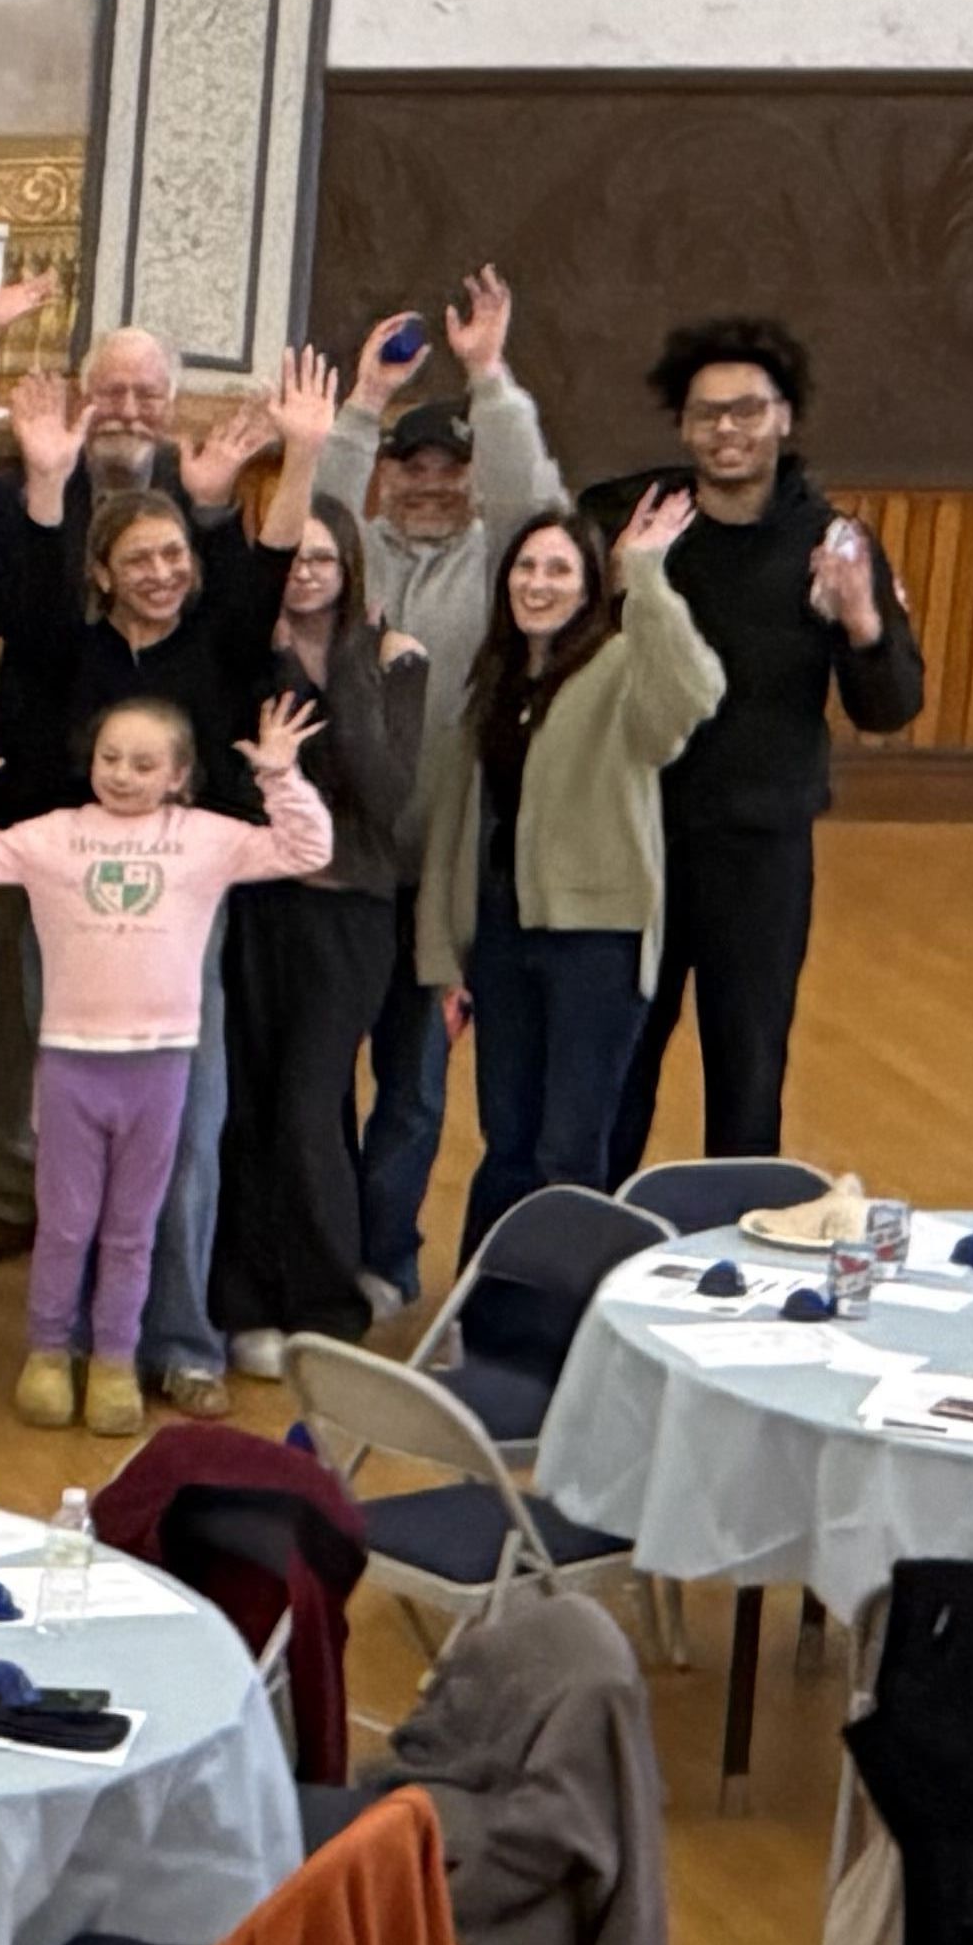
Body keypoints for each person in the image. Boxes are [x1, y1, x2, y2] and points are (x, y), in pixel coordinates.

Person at [0, 357, 335, 1416]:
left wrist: (305, 452)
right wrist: (46, 479)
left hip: (185, 927)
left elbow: (266, 563)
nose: (163, 573)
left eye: (176, 555)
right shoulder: (65, 649)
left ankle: (179, 1337)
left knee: (184, 1138)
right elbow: (33, 590)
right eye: (138, 558)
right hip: (71, 921)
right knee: (78, 1150)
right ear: (102, 572)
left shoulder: (217, 643)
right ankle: (85, 1340)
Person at [0, 695, 332, 1438]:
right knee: (67, 1223)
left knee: (133, 1227)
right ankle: (49, 1352)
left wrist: (281, 776)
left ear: (179, 775)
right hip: (72, 1063)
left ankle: (115, 1358)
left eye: (145, 764)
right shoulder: (53, 837)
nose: (122, 774)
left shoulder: (206, 839)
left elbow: (306, 849)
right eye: (110, 758)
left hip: (162, 1065)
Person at [594, 316, 924, 1169]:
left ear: (783, 418)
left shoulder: (833, 540)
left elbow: (888, 708)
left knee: (747, 1070)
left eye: (747, 411)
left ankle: (738, 1269)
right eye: (707, 414)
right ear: (682, 426)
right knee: (619, 1060)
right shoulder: (634, 520)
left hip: (761, 846)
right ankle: (595, 1257)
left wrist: (860, 619)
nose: (727, 430)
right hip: (640, 839)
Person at [0, 315, 203, 1271]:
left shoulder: (198, 498)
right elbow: (6, 611)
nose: (129, 411)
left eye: (147, 394)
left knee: (126, 1021)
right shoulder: (25, 492)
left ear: (169, 408)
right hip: (29, 805)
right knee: (8, 1011)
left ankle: (115, 1210)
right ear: (86, 400)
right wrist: (48, 488)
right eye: (114, 392)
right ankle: (8, 1195)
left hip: (154, 827)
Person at [318, 269, 560, 1300]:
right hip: (340, 872)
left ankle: (385, 1257)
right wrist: (363, 403)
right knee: (320, 1080)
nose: (426, 479)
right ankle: (322, 1251)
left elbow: (533, 495)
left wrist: (489, 378)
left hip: (443, 882)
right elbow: (318, 503)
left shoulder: (504, 563)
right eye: (407, 463)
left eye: (445, 465)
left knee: (413, 1092)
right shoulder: (348, 555)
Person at [419, 493, 728, 1259]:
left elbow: (697, 694)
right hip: (502, 934)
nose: (538, 582)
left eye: (560, 568)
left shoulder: (624, 665)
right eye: (526, 566)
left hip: (598, 942)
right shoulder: (495, 680)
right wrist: (445, 950)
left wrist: (647, 579)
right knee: (507, 1142)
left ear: (591, 585)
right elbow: (461, 823)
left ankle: (562, 1331)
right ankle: (482, 1316)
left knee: (569, 1152)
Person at [215, 495, 429, 1371]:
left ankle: (326, 1303)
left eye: (324, 559)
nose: (306, 572)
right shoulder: (245, 657)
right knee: (251, 1100)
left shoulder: (392, 657)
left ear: (351, 568)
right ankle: (245, 1300)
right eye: (293, 557)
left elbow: (386, 793)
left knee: (310, 1102)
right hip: (261, 905)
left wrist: (343, 675)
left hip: (351, 914)